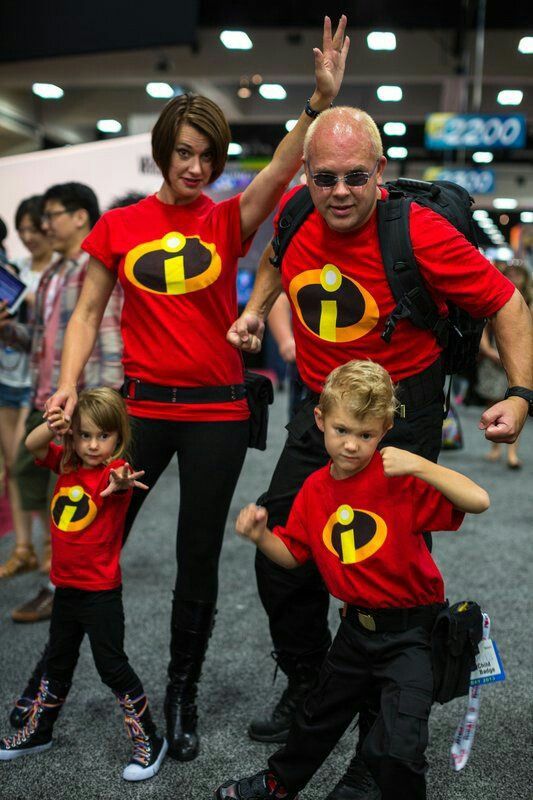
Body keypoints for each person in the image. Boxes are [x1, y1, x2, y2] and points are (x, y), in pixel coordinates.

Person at [39, 17, 350, 764]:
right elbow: (86, 313)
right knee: (87, 537)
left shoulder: (225, 217)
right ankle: (53, 681)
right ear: (162, 152)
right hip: (137, 411)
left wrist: (316, 103)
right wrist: (68, 385)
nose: (196, 166)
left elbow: (279, 168)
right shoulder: (119, 226)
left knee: (197, 558)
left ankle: (180, 691)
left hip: (215, 413)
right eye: (184, 152)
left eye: (207, 154)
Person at [227, 106, 532, 798]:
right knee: (281, 557)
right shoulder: (299, 213)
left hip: (400, 419)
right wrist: (254, 310)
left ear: (380, 174)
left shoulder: (418, 233)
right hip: (321, 411)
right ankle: (310, 686)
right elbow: (275, 264)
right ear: (305, 174)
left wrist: (518, 393)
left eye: (354, 177)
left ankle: (375, 745)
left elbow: (506, 305)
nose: (338, 191)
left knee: (381, 572)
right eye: (325, 176)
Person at [215, 360, 490, 800]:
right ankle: (277, 784)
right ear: (320, 420)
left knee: (399, 747)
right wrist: (261, 536)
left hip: (411, 634)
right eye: (342, 430)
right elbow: (293, 556)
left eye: (366, 435)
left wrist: (421, 465)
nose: (351, 445)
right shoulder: (314, 490)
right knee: (315, 718)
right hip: (354, 633)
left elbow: (479, 500)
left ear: (384, 429)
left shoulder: (398, 479)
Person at [0, 388, 167, 781]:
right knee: (57, 662)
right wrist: (53, 423)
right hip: (65, 590)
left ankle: (151, 739)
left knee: (112, 667)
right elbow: (31, 444)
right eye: (85, 435)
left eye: (103, 436)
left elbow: (121, 480)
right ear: (72, 436)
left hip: (101, 595)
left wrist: (122, 480)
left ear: (118, 437)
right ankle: (39, 732)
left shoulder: (115, 472)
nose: (94, 444)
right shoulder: (67, 467)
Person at [0, 182, 123, 628]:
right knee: (23, 470)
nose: (43, 223)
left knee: (68, 491)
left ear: (80, 218)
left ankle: (60, 585)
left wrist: (102, 407)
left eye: (51, 214)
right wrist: (7, 329)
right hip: (44, 394)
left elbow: (107, 339)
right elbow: (39, 340)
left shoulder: (95, 269)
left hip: (77, 402)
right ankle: (36, 559)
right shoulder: (52, 275)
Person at [0, 196, 56, 579]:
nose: (29, 236)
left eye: (35, 228)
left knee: (40, 464)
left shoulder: (60, 272)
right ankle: (24, 547)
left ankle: (52, 547)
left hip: (39, 384)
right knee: (15, 468)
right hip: (8, 374)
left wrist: (28, 298)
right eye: (23, 229)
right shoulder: (14, 268)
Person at [476, 260, 533, 469]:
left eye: (518, 275)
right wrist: (489, 351)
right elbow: (484, 328)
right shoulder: (496, 296)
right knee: (492, 403)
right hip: (494, 359)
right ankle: (495, 447)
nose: (515, 279)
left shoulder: (529, 302)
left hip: (520, 360)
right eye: (511, 274)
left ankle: (512, 453)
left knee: (517, 404)